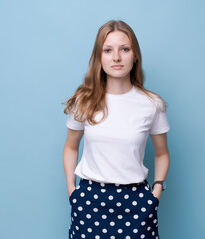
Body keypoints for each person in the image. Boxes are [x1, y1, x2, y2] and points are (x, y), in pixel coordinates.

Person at [62, 19, 170, 239]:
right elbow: (71, 147)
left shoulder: (152, 104)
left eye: (125, 49)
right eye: (108, 50)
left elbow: (162, 153)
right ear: (99, 57)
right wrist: (72, 191)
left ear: (135, 55)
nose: (117, 57)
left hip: (137, 202)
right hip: (89, 201)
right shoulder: (84, 101)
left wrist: (156, 191)